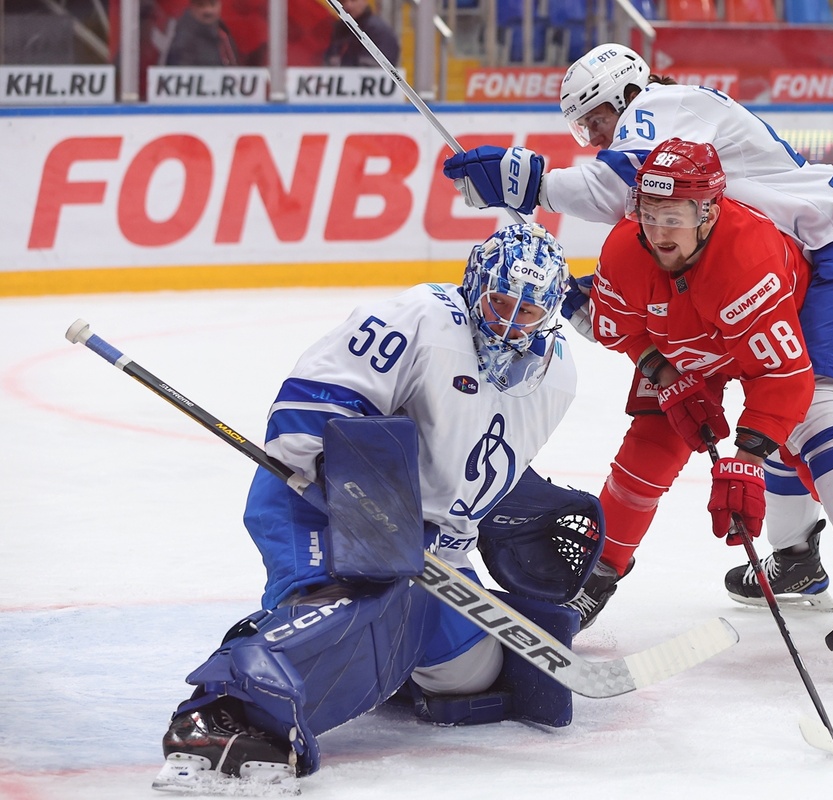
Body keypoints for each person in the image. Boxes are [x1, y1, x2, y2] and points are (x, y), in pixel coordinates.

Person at [442, 44, 833, 669]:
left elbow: (616, 187)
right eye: (584, 127)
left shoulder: (664, 105)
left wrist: (533, 183)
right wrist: (660, 369)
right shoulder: (645, 233)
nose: (595, 135)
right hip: (773, 263)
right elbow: (623, 300)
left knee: (816, 403)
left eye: (597, 117)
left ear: (627, 92)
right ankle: (795, 556)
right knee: (666, 426)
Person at [151, 224, 595, 790]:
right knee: (368, 605)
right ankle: (224, 710)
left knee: (468, 670)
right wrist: (356, 499)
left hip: (425, 539)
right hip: (320, 502)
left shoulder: (557, 374)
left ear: (551, 312)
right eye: (500, 303)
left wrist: (495, 516)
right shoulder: (420, 318)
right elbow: (317, 408)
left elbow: (481, 456)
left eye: (528, 313)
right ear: (474, 287)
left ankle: (373, 655)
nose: (511, 325)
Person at [589, 138, 833, 671]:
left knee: (809, 420)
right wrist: (664, 374)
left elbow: (781, 376)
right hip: (688, 338)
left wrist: (748, 458)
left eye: (675, 215)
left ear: (708, 213)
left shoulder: (746, 255)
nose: (659, 231)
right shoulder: (625, 247)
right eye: (649, 212)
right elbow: (620, 326)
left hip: (778, 323)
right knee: (653, 438)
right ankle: (597, 577)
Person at [325, 0, 400, 67]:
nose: (348, 5)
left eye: (353, 1)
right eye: (343, 1)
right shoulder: (339, 29)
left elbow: (381, 68)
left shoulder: (379, 31)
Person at [165, 0, 240, 67]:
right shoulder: (183, 39)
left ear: (219, 5)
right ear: (192, 7)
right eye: (201, 5)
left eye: (212, 4)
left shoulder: (223, 33)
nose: (208, 10)